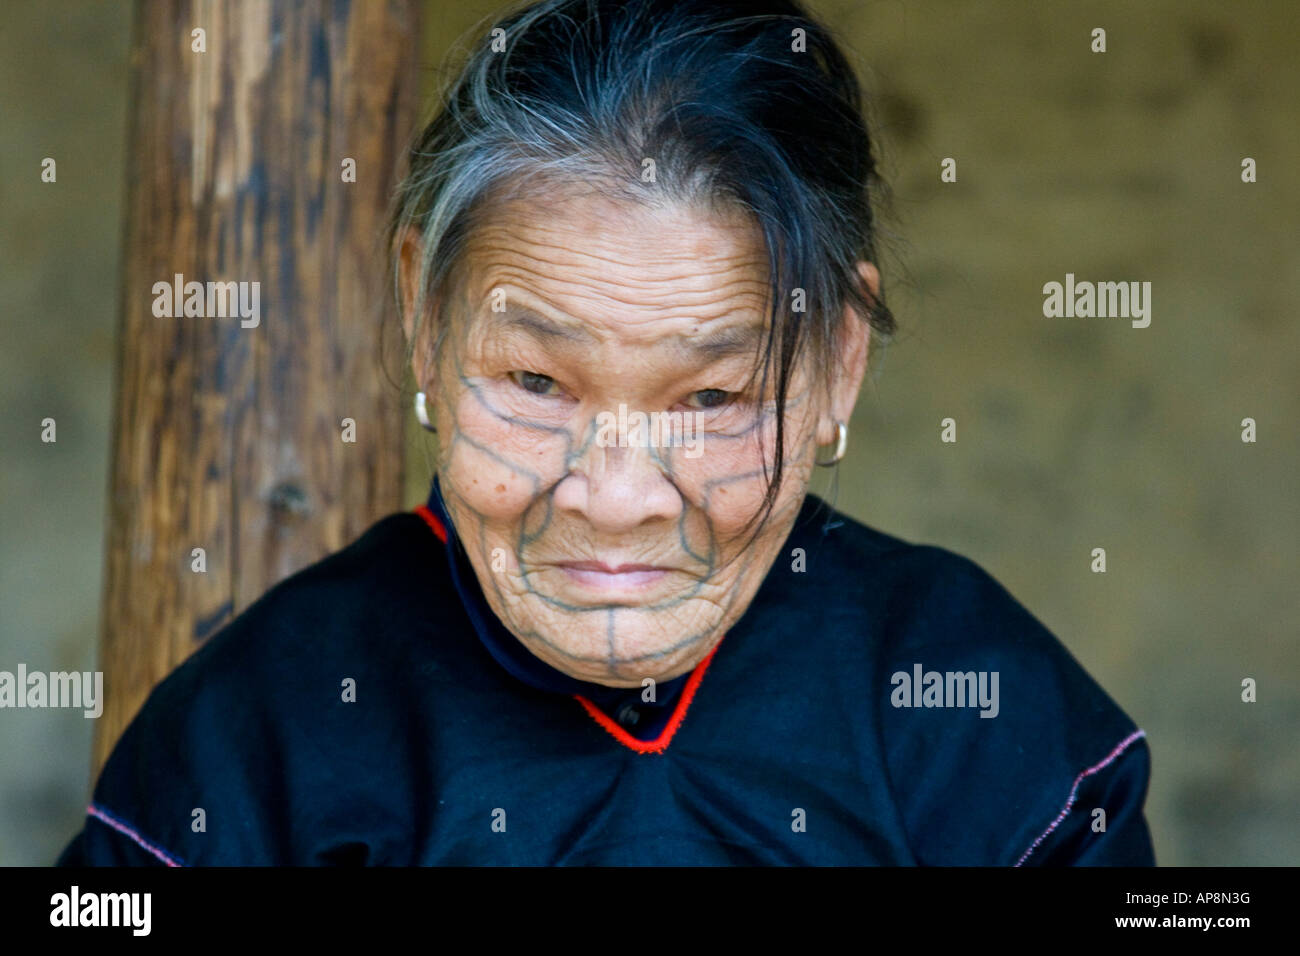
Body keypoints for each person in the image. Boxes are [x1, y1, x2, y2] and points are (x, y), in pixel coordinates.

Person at [58, 0, 1154, 866]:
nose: (615, 496)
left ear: (837, 366)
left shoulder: (974, 714)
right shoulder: (259, 733)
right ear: (422, 318)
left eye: (711, 399)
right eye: (535, 379)